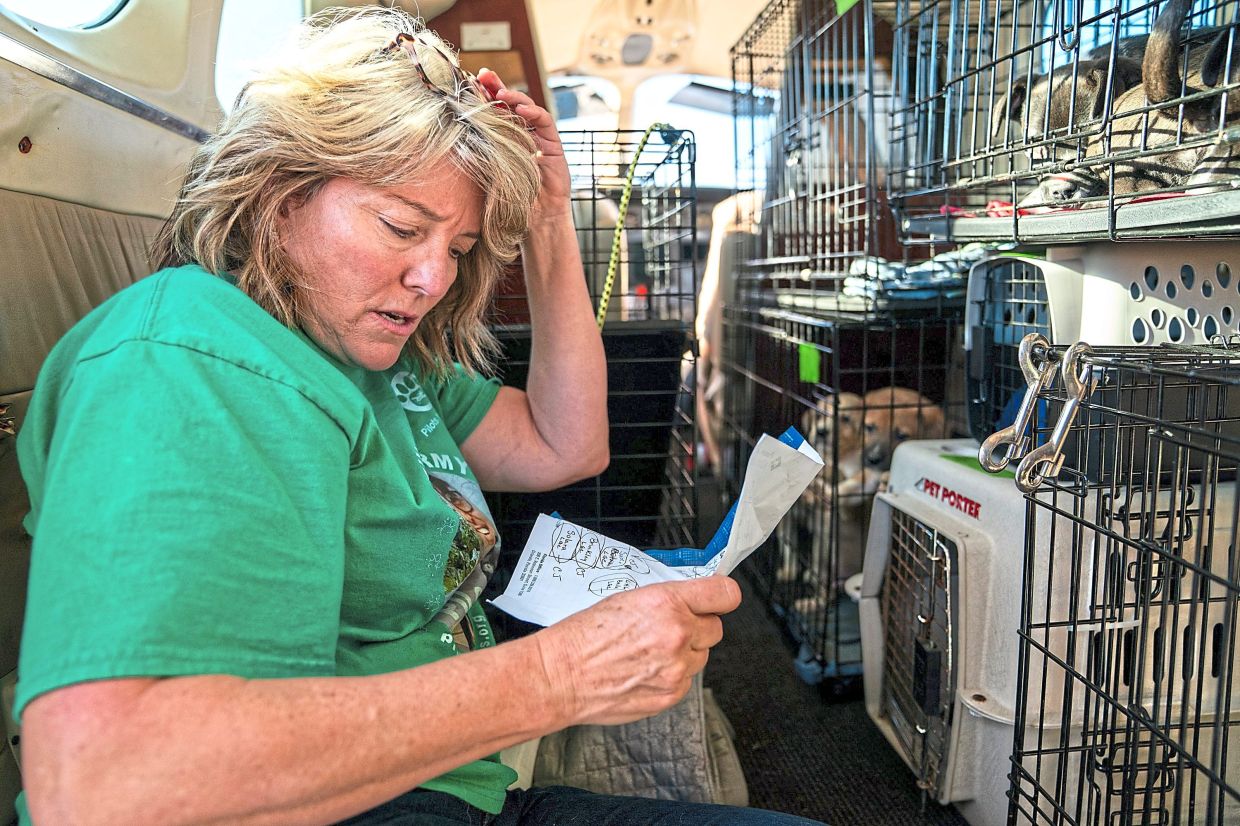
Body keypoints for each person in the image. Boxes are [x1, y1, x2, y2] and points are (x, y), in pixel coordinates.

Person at [13, 7, 824, 826]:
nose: (433, 279)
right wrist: (560, 675)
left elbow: (566, 446)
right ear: (280, 196)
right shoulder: (189, 359)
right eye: (402, 227)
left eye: (459, 249)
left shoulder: (373, 359)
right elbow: (105, 785)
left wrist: (549, 222)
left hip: (453, 785)